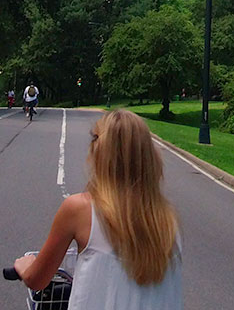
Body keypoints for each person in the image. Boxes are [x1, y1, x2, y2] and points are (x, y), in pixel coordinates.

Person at [13, 110, 182, 309]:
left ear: (98, 153)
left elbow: (36, 279)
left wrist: (24, 265)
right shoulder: (168, 220)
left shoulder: (79, 209)